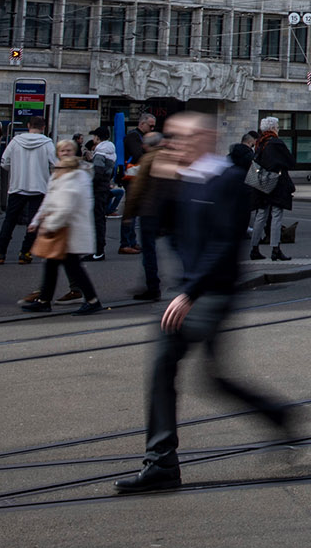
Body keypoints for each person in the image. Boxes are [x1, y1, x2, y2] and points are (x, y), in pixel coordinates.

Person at [115, 112, 298, 495]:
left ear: (203, 139)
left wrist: (190, 292)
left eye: (181, 138)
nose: (173, 144)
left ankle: (161, 462)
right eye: (170, 139)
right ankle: (276, 416)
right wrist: (162, 181)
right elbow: (160, 228)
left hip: (212, 294)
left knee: (176, 368)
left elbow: (224, 243)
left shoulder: (227, 180)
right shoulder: (183, 180)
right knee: (206, 376)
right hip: (190, 292)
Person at [19, 139, 101, 314]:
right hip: (60, 227)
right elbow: (49, 199)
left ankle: (92, 300)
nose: (65, 153)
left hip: (69, 228)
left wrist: (51, 225)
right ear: (58, 153)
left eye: (69, 150)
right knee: (53, 264)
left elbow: (67, 204)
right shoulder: (59, 171)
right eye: (62, 150)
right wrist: (36, 221)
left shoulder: (78, 173)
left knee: (72, 266)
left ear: (75, 152)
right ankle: (44, 300)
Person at [0, 115, 56, 264]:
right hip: (38, 188)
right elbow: (55, 164)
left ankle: (0, 253)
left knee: (9, 221)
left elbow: (4, 163)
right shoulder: (47, 143)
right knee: (34, 223)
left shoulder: (15, 142)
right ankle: (25, 253)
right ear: (43, 128)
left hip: (17, 187)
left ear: (28, 125)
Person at [125, 133, 174, 301]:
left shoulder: (148, 159)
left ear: (146, 146)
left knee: (149, 250)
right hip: (167, 210)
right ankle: (187, 279)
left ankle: (153, 286)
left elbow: (137, 188)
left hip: (149, 211)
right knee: (173, 246)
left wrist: (128, 213)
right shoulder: (169, 158)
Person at [248, 118, 296, 262]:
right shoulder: (276, 143)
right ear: (273, 128)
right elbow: (290, 162)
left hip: (262, 184)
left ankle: (254, 248)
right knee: (276, 215)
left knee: (261, 215)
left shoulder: (260, 143)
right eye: (277, 126)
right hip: (276, 184)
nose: (278, 129)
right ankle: (275, 249)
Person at [89, 136, 117, 260]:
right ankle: (99, 249)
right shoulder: (111, 153)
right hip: (104, 188)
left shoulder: (100, 153)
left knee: (97, 220)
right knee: (100, 220)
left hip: (98, 190)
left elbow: (97, 173)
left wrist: (89, 184)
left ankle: (98, 251)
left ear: (97, 138)